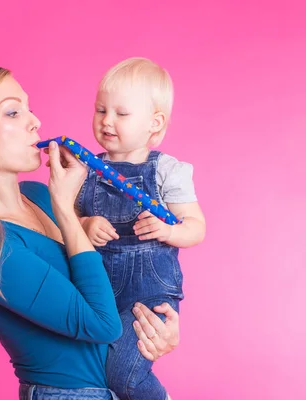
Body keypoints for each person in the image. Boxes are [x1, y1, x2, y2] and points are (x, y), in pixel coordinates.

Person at [0, 61, 181, 400]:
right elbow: (102, 324)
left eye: (29, 109)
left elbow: (109, 286)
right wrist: (66, 210)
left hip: (121, 386)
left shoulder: (38, 195)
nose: (35, 121)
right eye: (12, 113)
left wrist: (156, 328)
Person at [76, 57, 206, 399]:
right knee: (95, 375)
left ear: (154, 123)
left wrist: (168, 230)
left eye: (121, 113)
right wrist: (85, 224)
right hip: (99, 294)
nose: (107, 121)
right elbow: (66, 223)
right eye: (101, 110)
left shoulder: (167, 171)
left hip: (149, 298)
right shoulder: (85, 170)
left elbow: (196, 228)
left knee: (124, 374)